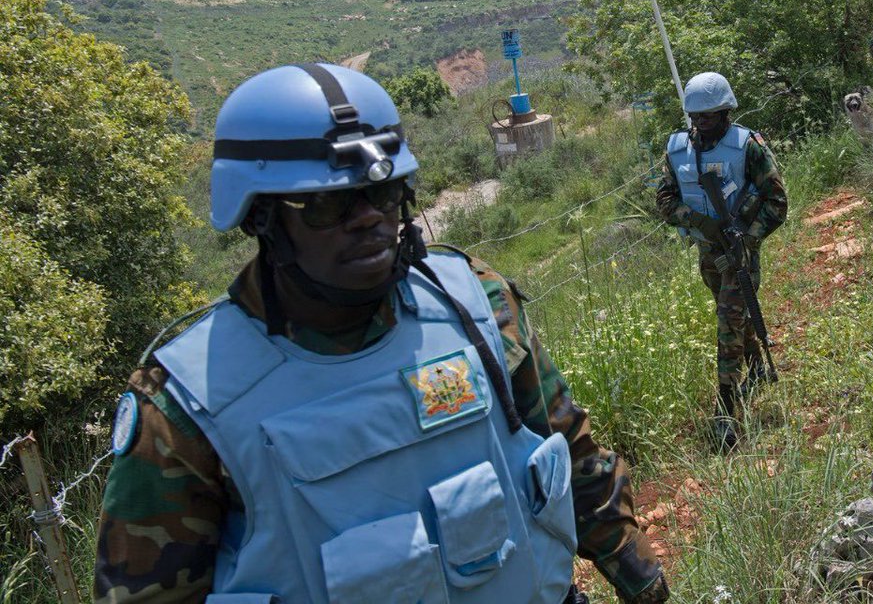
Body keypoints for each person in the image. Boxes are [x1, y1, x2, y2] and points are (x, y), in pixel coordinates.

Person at [93, 63, 668, 604]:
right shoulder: (189, 407)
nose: (367, 216)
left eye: (383, 192)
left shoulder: (475, 304)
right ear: (260, 218)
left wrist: (636, 571)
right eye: (327, 204)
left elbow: (567, 445)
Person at [656, 72, 788, 451]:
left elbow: (777, 201)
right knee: (733, 314)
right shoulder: (677, 150)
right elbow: (664, 198)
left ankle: (726, 411)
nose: (702, 123)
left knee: (728, 323)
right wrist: (699, 222)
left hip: (740, 251)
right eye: (696, 116)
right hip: (708, 252)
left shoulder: (748, 146)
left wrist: (749, 238)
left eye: (709, 116)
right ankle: (756, 368)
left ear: (726, 112)